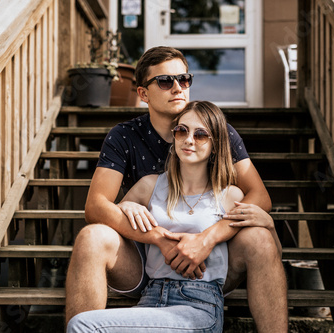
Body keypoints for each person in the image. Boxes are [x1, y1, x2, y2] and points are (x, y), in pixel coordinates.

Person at [65, 47, 288, 332]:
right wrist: (155, 235)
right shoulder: (124, 137)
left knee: (259, 237)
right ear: (143, 93)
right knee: (92, 237)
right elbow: (96, 206)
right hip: (148, 264)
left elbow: (259, 197)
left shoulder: (218, 131)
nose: (178, 88)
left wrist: (206, 240)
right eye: (165, 81)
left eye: (184, 79)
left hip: (208, 272)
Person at [68, 101, 247, 332]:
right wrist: (126, 207)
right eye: (182, 131)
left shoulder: (231, 195)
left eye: (201, 135)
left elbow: (264, 234)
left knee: (82, 325)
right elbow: (113, 223)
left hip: (198, 306)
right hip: (150, 298)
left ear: (216, 145)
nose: (189, 139)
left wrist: (263, 222)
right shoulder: (149, 186)